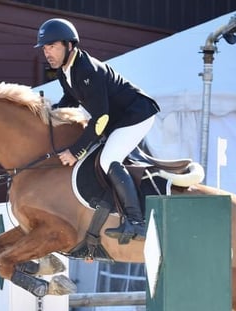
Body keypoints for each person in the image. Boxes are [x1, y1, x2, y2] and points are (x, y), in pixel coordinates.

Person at [35, 18, 160, 244]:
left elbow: (101, 117)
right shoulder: (64, 71)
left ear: (69, 45)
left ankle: (137, 222)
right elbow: (70, 99)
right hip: (116, 119)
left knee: (108, 159)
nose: (47, 52)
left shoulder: (86, 69)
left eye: (52, 46)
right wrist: (47, 113)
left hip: (136, 115)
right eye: (45, 48)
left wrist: (76, 151)